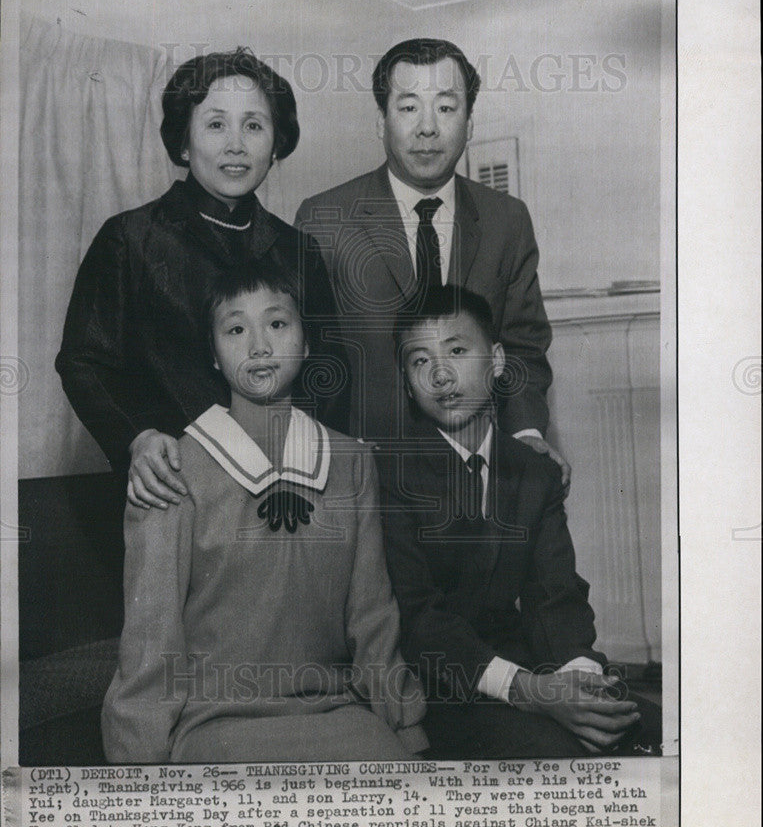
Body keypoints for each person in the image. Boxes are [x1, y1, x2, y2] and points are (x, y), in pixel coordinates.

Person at [101, 260, 427, 763]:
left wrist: (407, 734)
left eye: (277, 324)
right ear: (212, 354)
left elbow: (373, 619)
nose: (259, 346)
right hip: (215, 724)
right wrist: (138, 771)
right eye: (235, 329)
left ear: (308, 341)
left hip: (337, 716)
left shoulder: (352, 461)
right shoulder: (170, 467)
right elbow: (150, 642)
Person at [376, 284, 661, 758]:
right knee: (560, 759)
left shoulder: (534, 471)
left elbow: (556, 593)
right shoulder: (388, 475)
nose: (441, 376)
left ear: (499, 360)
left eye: (458, 350)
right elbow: (418, 619)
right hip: (441, 689)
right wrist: (530, 691)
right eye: (419, 362)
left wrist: (580, 680)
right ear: (406, 382)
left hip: (529, 670)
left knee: (657, 731)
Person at [56, 48, 348, 510]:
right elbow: (83, 361)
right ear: (184, 143)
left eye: (253, 125)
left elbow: (330, 369)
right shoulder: (129, 239)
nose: (236, 144)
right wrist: (138, 439)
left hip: (287, 488)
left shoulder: (298, 250)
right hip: (175, 492)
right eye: (216, 124)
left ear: (276, 144)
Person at [295, 37, 568, 485]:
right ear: (380, 121)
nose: (427, 128)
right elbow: (308, 361)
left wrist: (526, 432)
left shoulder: (507, 219)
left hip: (479, 477)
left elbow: (522, 346)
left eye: (445, 108)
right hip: (365, 481)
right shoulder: (324, 219)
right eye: (408, 108)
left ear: (470, 122)